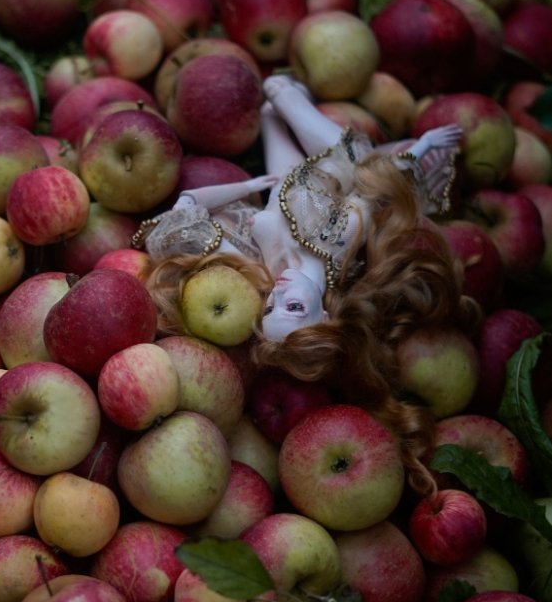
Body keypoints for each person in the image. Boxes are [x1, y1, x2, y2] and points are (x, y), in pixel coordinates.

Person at [132, 73, 481, 495]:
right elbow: (377, 188)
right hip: (339, 166)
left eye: (269, 308)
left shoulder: (260, 269)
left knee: (272, 105)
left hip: (296, 176)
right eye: (292, 307)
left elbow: (183, 212)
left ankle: (280, 104)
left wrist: (245, 187)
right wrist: (420, 148)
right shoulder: (340, 241)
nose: (277, 294)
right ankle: (289, 97)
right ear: (327, 312)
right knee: (279, 92)